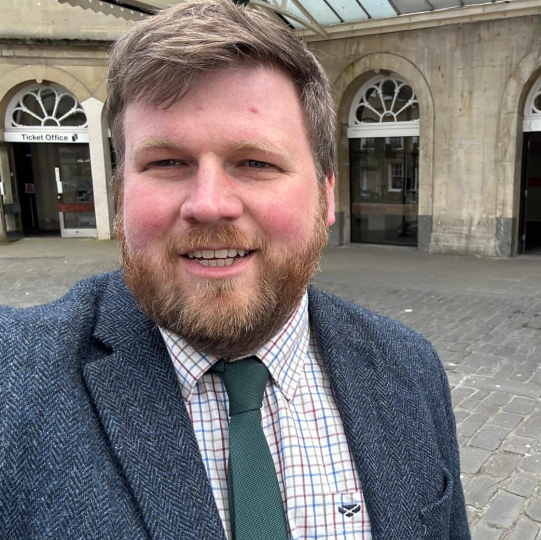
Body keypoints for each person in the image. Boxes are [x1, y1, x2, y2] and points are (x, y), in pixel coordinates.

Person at [0, 1, 469, 539]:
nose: (209, 204)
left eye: (256, 163)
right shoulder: (17, 382)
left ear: (326, 195)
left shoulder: (410, 369)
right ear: (120, 193)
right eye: (167, 163)